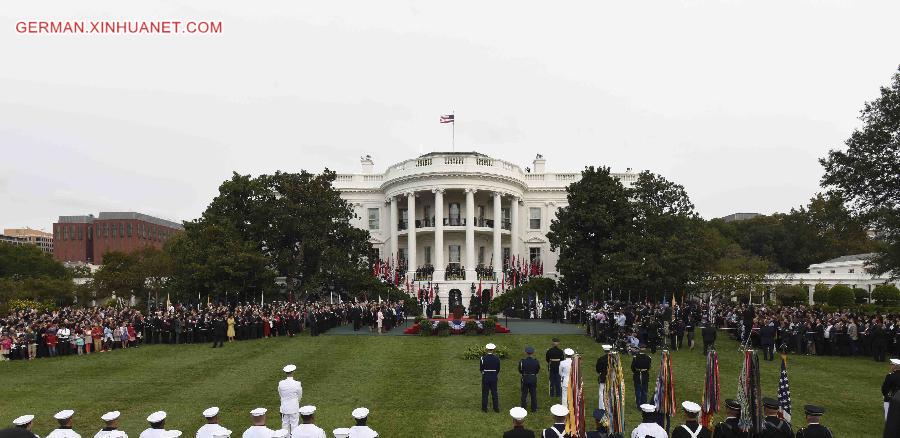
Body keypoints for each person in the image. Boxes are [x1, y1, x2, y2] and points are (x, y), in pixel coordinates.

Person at [279, 364, 303, 434]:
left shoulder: (281, 383)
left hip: (284, 407)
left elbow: (280, 394)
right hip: (294, 407)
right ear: (293, 372)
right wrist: (296, 402)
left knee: (285, 425)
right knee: (294, 425)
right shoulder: (297, 383)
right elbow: (300, 395)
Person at [518, 345, 540, 412]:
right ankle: (534, 408)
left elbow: (520, 370)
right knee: (533, 394)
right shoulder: (536, 361)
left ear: (526, 352)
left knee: (524, 393)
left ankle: (523, 407)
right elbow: (537, 370)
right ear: (533, 353)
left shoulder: (522, 361)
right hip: (533, 378)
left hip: (525, 378)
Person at [481, 343, 501, 412]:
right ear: (493, 350)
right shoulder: (497, 358)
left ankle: (484, 408)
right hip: (494, 376)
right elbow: (498, 369)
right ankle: (496, 408)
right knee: (494, 393)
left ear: (487, 349)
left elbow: (481, 369)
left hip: (486, 376)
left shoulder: (483, 358)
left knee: (485, 393)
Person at [596, 345, 611, 410]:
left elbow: (598, 369)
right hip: (611, 377)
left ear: (604, 350)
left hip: (603, 377)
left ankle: (602, 407)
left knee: (601, 392)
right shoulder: (613, 359)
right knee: (610, 392)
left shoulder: (601, 359)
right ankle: (609, 406)